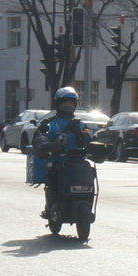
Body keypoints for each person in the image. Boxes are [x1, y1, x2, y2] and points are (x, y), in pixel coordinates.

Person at [33, 87, 94, 221]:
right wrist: (50, 144)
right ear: (58, 103)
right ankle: (50, 206)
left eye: (71, 103)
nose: (68, 105)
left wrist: (81, 135)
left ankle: (87, 202)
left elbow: (89, 141)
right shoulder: (49, 124)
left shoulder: (81, 125)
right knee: (53, 172)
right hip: (58, 161)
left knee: (90, 170)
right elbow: (40, 138)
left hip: (77, 161)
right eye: (65, 102)